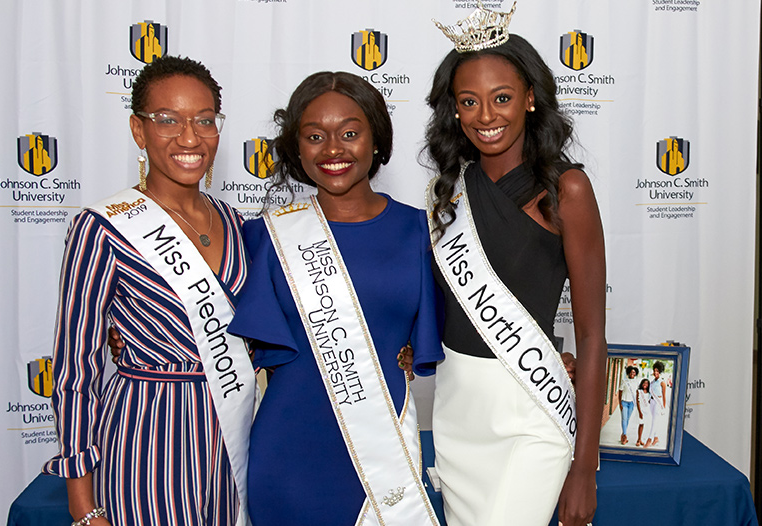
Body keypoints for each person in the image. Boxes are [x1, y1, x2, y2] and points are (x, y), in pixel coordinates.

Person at [44, 56, 256, 526]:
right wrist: (82, 503)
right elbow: (75, 368)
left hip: (232, 435)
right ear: (139, 132)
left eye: (204, 120)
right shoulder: (101, 228)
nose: (189, 137)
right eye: (168, 121)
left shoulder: (240, 225)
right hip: (147, 436)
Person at [226, 71, 444, 525]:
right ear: (297, 148)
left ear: (376, 140)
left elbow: (463, 335)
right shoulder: (265, 236)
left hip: (379, 458)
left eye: (349, 133)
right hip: (288, 458)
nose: (332, 150)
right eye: (314, 136)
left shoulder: (420, 233)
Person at [426, 4, 608, 525]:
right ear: (454, 111)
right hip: (459, 412)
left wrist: (584, 469)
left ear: (529, 98)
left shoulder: (566, 189)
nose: (486, 116)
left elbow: (593, 337)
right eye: (469, 102)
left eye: (502, 98)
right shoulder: (449, 195)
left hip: (532, 409)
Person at [646, 360, 668, 448]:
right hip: (651, 402)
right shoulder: (652, 382)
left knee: (655, 421)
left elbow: (664, 395)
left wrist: (664, 407)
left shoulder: (662, 382)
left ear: (660, 371)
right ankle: (656, 438)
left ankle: (649, 439)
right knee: (654, 420)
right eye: (654, 371)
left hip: (658, 403)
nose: (655, 372)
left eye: (657, 371)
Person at [618, 365, 640, 445]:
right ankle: (624, 436)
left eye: (634, 372)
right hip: (624, 402)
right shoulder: (624, 381)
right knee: (624, 419)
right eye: (631, 372)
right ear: (628, 372)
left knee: (627, 419)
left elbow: (637, 393)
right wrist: (620, 403)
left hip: (631, 403)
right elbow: (620, 392)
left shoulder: (637, 382)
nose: (632, 373)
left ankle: (623, 434)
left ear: (635, 373)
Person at [636, 378, 652, 447]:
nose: (645, 385)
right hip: (641, 410)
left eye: (647, 383)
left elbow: (649, 401)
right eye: (644, 383)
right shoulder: (639, 391)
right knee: (641, 424)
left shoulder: (649, 393)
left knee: (645, 425)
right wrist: (640, 412)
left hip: (647, 410)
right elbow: (637, 401)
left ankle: (641, 439)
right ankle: (638, 440)